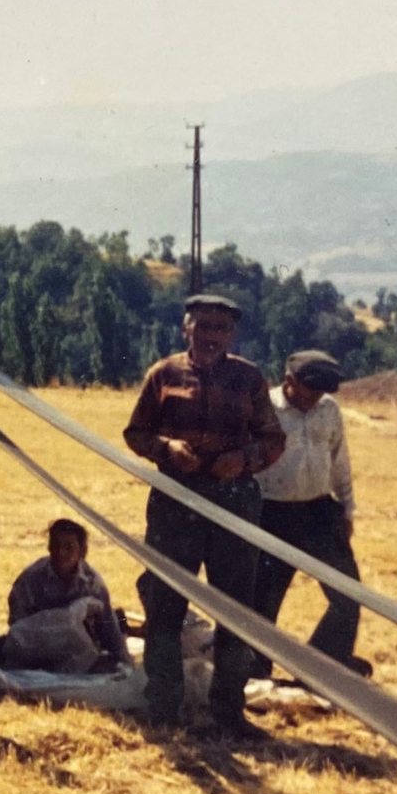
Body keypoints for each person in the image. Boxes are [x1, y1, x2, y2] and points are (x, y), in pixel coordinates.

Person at [121, 293, 286, 736]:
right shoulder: (163, 374)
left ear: (232, 335)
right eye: (203, 326)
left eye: (221, 329)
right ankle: (163, 706)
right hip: (175, 502)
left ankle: (228, 712)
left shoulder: (249, 378)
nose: (211, 336)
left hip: (234, 503)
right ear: (185, 328)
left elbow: (273, 439)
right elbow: (135, 432)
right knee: (164, 604)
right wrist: (165, 448)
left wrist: (245, 459)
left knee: (234, 610)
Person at [252, 350, 371, 677]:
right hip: (270, 512)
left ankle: (322, 670)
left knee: (348, 595)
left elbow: (339, 459)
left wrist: (347, 509)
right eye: (309, 392)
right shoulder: (263, 407)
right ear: (289, 381)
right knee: (263, 600)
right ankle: (255, 670)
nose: (314, 399)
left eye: (320, 394)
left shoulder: (328, 410)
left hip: (319, 512)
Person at [0, 518, 130, 673]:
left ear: (82, 552)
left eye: (69, 547)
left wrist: (124, 663)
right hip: (38, 650)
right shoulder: (31, 578)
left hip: (79, 653)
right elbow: (19, 626)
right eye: (56, 545)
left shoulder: (92, 584)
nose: (61, 553)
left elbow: (110, 630)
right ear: (49, 547)